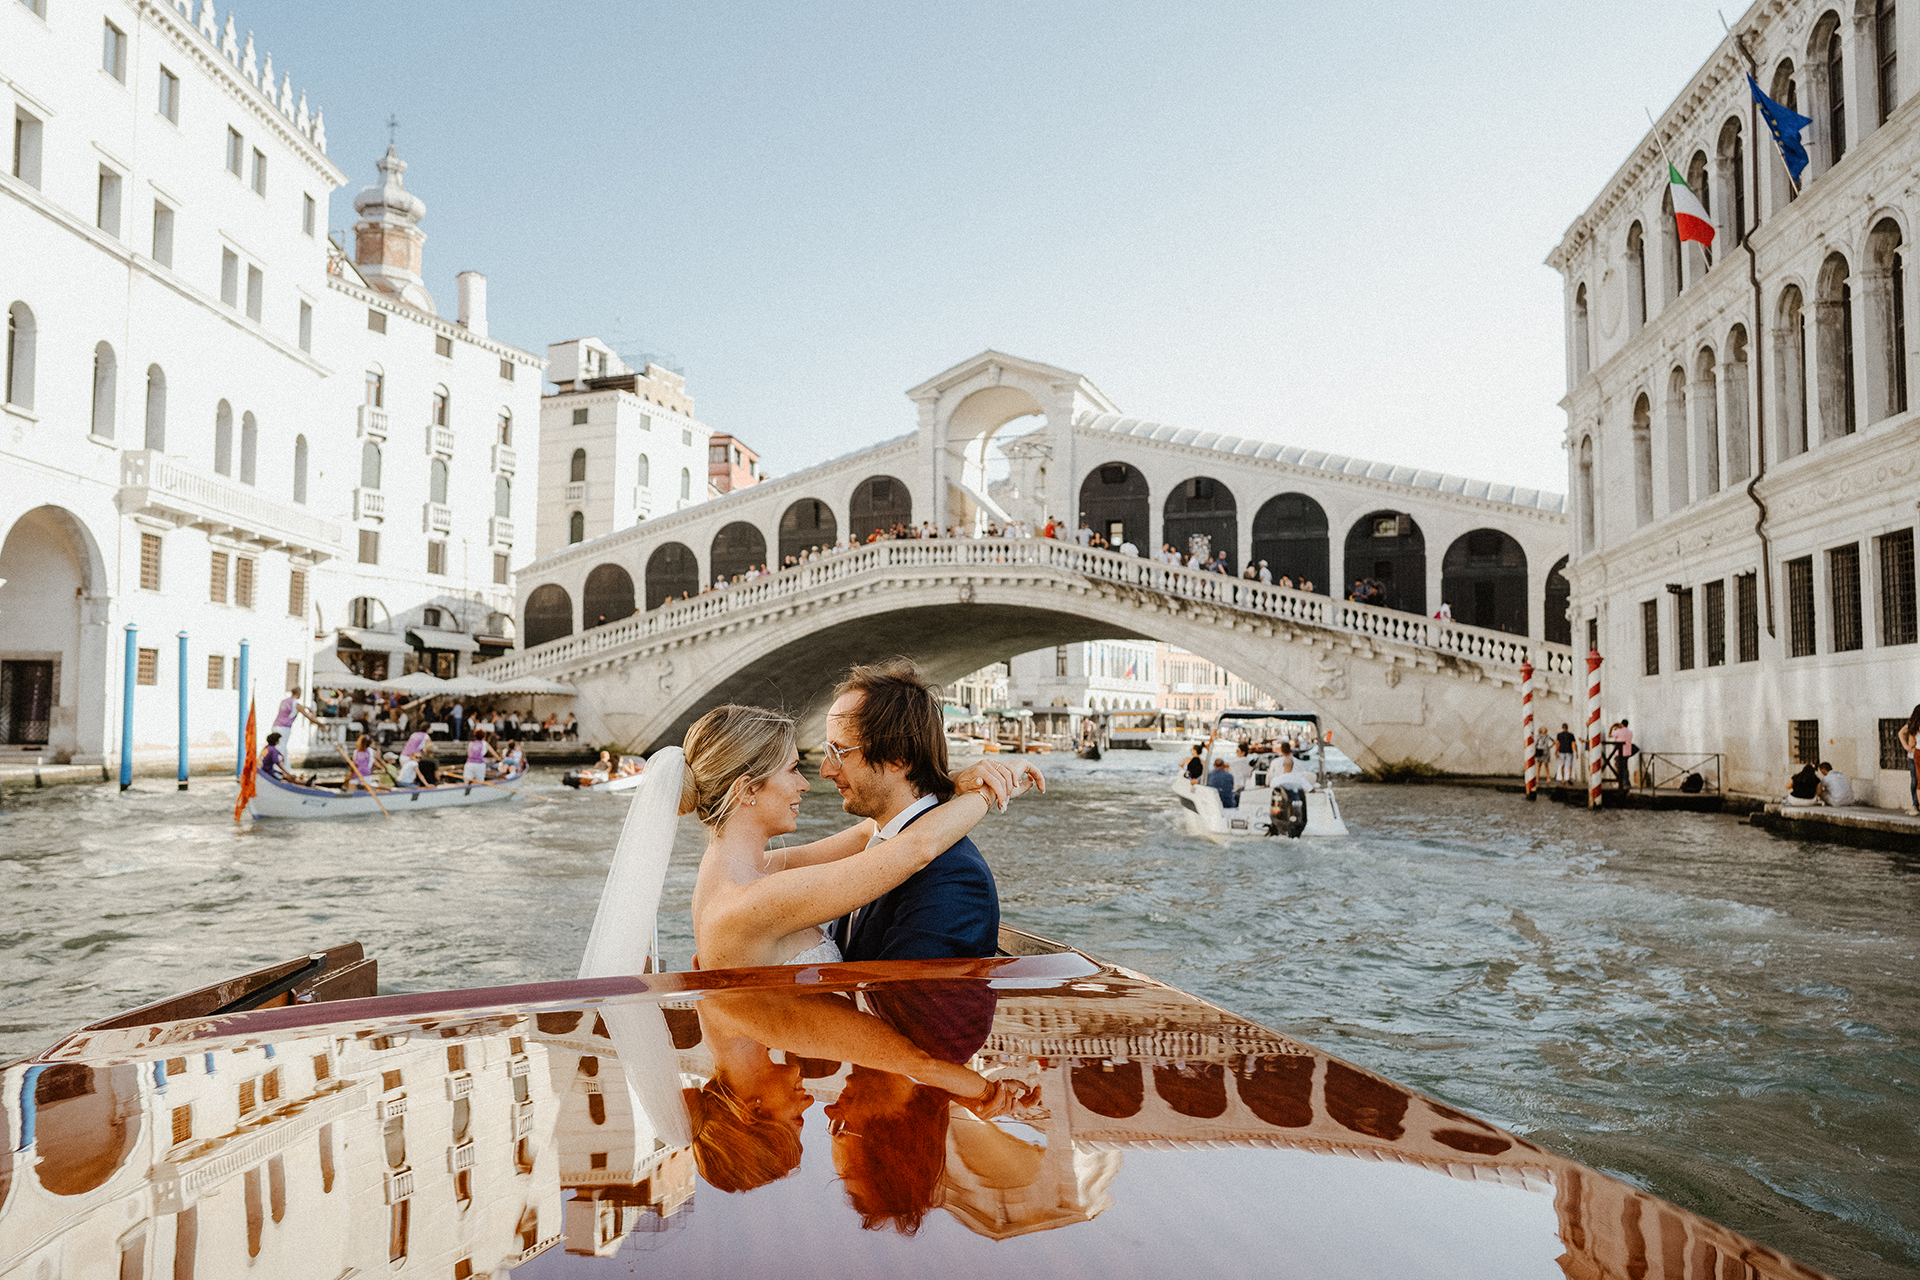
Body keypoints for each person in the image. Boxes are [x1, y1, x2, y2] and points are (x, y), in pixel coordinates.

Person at [677, 696, 1033, 969]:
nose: (806, 784)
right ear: (747, 789)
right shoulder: (752, 898)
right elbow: (916, 847)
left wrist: (944, 780)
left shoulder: (735, 870)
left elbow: (871, 833)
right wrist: (990, 791)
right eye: (793, 770)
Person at [821, 662, 1041, 963]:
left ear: (898, 758)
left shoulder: (955, 877)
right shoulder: (873, 842)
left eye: (839, 752)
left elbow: (898, 1003)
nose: (825, 771)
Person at [1900, 705, 1920, 816]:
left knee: (1916, 781)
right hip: (1914, 756)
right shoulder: (1912, 724)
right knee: (1915, 780)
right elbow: (1901, 733)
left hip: (1916, 754)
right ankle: (1915, 804)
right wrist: (1907, 746)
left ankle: (1915, 805)